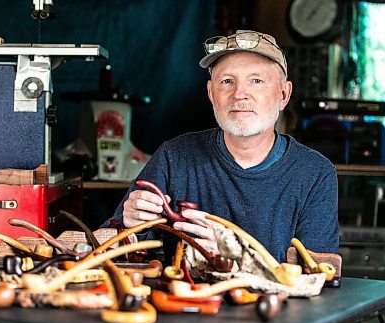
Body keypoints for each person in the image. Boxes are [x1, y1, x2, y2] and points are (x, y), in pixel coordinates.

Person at [100, 30, 339, 263]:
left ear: (284, 95)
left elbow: (320, 274)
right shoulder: (175, 157)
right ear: (211, 94)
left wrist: (240, 258)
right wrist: (131, 226)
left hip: (278, 303)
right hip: (189, 299)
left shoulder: (314, 173)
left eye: (256, 81)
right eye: (227, 81)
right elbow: (112, 249)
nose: (240, 94)